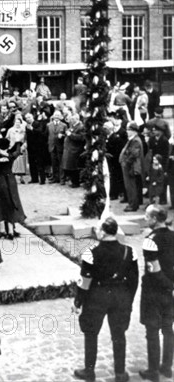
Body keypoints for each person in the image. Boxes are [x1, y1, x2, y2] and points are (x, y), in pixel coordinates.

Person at [73, 217, 139, 382]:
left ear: (102, 232)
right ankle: (120, 373)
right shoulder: (130, 251)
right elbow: (134, 280)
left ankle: (89, 371)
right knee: (119, 334)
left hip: (97, 297)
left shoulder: (91, 253)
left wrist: (78, 302)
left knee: (91, 333)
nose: (96, 231)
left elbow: (85, 282)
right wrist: (129, 300)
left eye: (97, 229)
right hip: (121, 296)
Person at [139, 205, 174, 382]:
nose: (145, 219)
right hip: (169, 292)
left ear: (154, 219)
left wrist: (168, 285)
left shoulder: (150, 241)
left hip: (154, 292)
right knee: (168, 329)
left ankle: (153, 371)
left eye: (147, 216)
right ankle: (167, 368)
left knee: (152, 331)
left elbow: (153, 269)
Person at [119, 121, 145, 212]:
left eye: (128, 129)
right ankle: (132, 203)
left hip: (130, 167)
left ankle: (133, 205)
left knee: (131, 186)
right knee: (130, 186)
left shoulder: (135, 140)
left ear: (133, 131)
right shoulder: (133, 139)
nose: (127, 131)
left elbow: (134, 154)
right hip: (129, 166)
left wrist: (126, 162)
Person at [47, 110, 67, 184]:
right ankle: (55, 178)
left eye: (58, 115)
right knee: (53, 163)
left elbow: (67, 135)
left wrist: (62, 136)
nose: (56, 117)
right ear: (53, 116)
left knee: (61, 163)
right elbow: (47, 135)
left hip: (60, 146)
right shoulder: (48, 125)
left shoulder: (64, 125)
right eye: (55, 115)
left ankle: (62, 179)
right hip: (52, 146)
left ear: (61, 117)